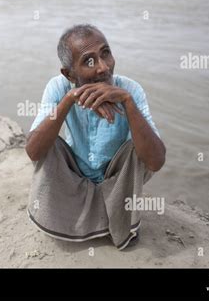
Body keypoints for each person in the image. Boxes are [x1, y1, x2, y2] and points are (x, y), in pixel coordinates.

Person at [25, 24, 166, 250]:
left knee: (138, 146)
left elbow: (156, 161)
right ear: (69, 73)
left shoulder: (130, 89)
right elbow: (33, 151)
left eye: (106, 54)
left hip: (117, 180)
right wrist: (71, 98)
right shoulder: (59, 87)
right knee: (46, 143)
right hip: (76, 176)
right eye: (89, 61)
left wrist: (128, 103)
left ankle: (118, 218)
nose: (103, 67)